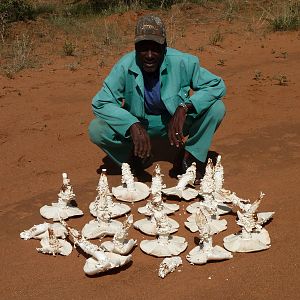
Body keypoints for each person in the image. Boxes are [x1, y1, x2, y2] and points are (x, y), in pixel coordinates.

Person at [89, 14, 226, 184]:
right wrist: (131, 123)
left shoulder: (183, 61)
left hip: (175, 123)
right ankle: (133, 160)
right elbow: (101, 102)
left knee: (216, 108)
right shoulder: (125, 65)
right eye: (143, 48)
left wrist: (185, 107)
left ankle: (190, 158)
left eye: (155, 48)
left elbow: (217, 85)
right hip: (140, 125)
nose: (149, 55)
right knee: (97, 129)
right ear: (135, 48)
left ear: (165, 47)